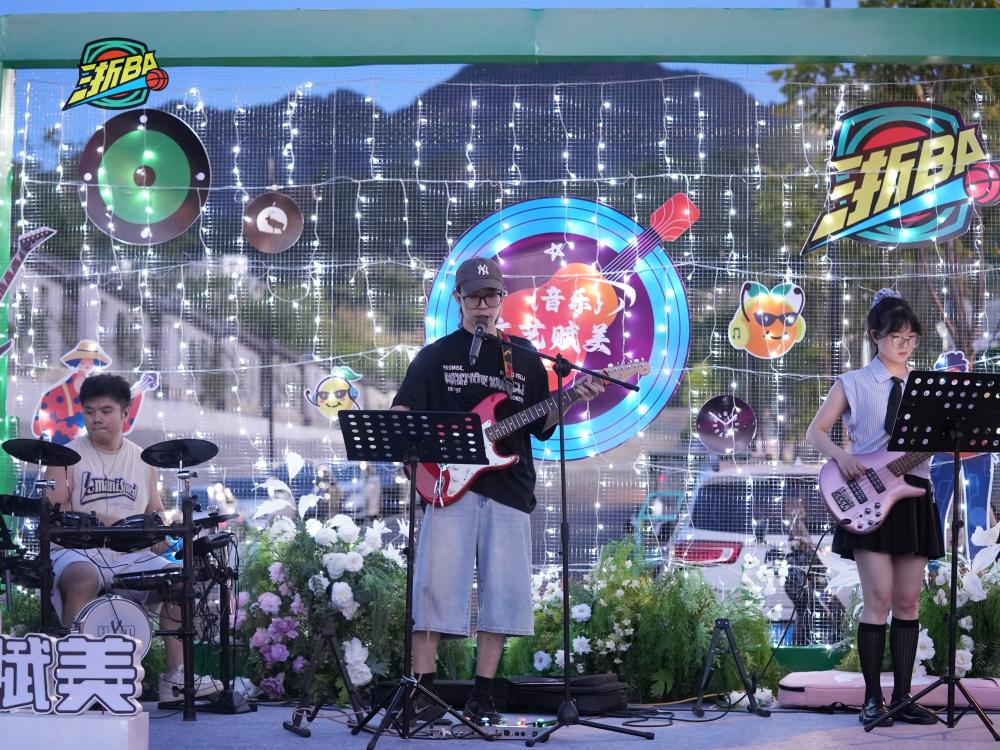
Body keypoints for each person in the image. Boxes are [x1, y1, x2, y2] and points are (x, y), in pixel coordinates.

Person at [391, 256, 604, 726]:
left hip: (509, 485)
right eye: (474, 297)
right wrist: (410, 453)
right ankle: (423, 689)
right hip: (448, 486)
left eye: (491, 296)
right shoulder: (434, 356)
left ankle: (483, 694)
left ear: (502, 298)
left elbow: (542, 425)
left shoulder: (523, 357)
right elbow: (403, 411)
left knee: (502, 593)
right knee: (433, 589)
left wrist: (572, 397)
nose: (483, 305)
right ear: (459, 299)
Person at [806, 289, 943, 726]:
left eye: (911, 337)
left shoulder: (926, 387)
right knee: (878, 599)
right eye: (895, 336)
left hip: (915, 497)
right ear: (874, 336)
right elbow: (816, 432)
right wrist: (841, 457)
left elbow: (938, 439)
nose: (904, 344)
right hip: (867, 495)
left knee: (908, 602)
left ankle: (903, 697)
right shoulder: (853, 382)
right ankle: (872, 700)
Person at [44, 373, 221, 702]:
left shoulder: (142, 459)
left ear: (125, 413)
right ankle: (70, 675)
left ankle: (176, 677)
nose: (97, 418)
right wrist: (108, 522)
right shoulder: (65, 457)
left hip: (129, 556)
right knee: (83, 578)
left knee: (179, 579)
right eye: (90, 411)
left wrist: (167, 539)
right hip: (78, 551)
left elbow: (154, 513)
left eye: (106, 411)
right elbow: (57, 512)